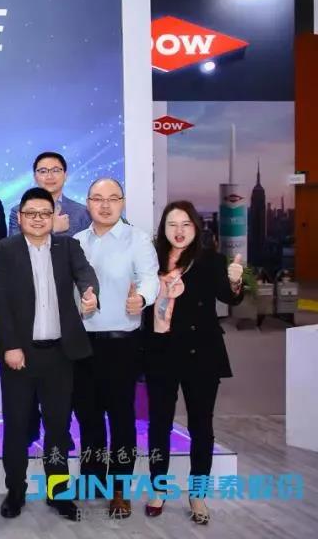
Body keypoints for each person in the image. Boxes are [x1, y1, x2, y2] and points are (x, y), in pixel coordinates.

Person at [0, 187, 99, 522]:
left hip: (59, 355)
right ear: (20, 217)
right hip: (19, 355)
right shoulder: (5, 249)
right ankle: (16, 491)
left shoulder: (68, 247)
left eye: (44, 213)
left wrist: (90, 293)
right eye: (31, 213)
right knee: (16, 427)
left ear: (54, 217)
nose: (38, 219)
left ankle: (58, 492)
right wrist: (10, 345)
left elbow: (85, 274)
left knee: (58, 428)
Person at [143, 200, 244, 526]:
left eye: (185, 224)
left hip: (201, 354)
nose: (179, 231)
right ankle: (159, 488)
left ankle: (197, 493)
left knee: (201, 425)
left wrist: (235, 281)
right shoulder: (149, 259)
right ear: (163, 229)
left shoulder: (210, 260)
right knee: (159, 424)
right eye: (172, 224)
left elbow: (229, 296)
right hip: (160, 352)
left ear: (195, 228)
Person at [73, 178, 159, 519]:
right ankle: (93, 480)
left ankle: (120, 489)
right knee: (88, 416)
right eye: (97, 198)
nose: (105, 205)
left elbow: (150, 277)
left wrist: (143, 298)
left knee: (122, 420)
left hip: (122, 344)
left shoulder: (137, 239)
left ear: (122, 202)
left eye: (112, 198)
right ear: (88, 203)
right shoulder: (77, 242)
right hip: (83, 344)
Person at [7, 151, 91, 238]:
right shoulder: (18, 211)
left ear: (65, 175)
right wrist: (52, 228)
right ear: (35, 177)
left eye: (55, 171)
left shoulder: (82, 212)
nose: (49, 177)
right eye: (43, 171)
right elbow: (15, 246)